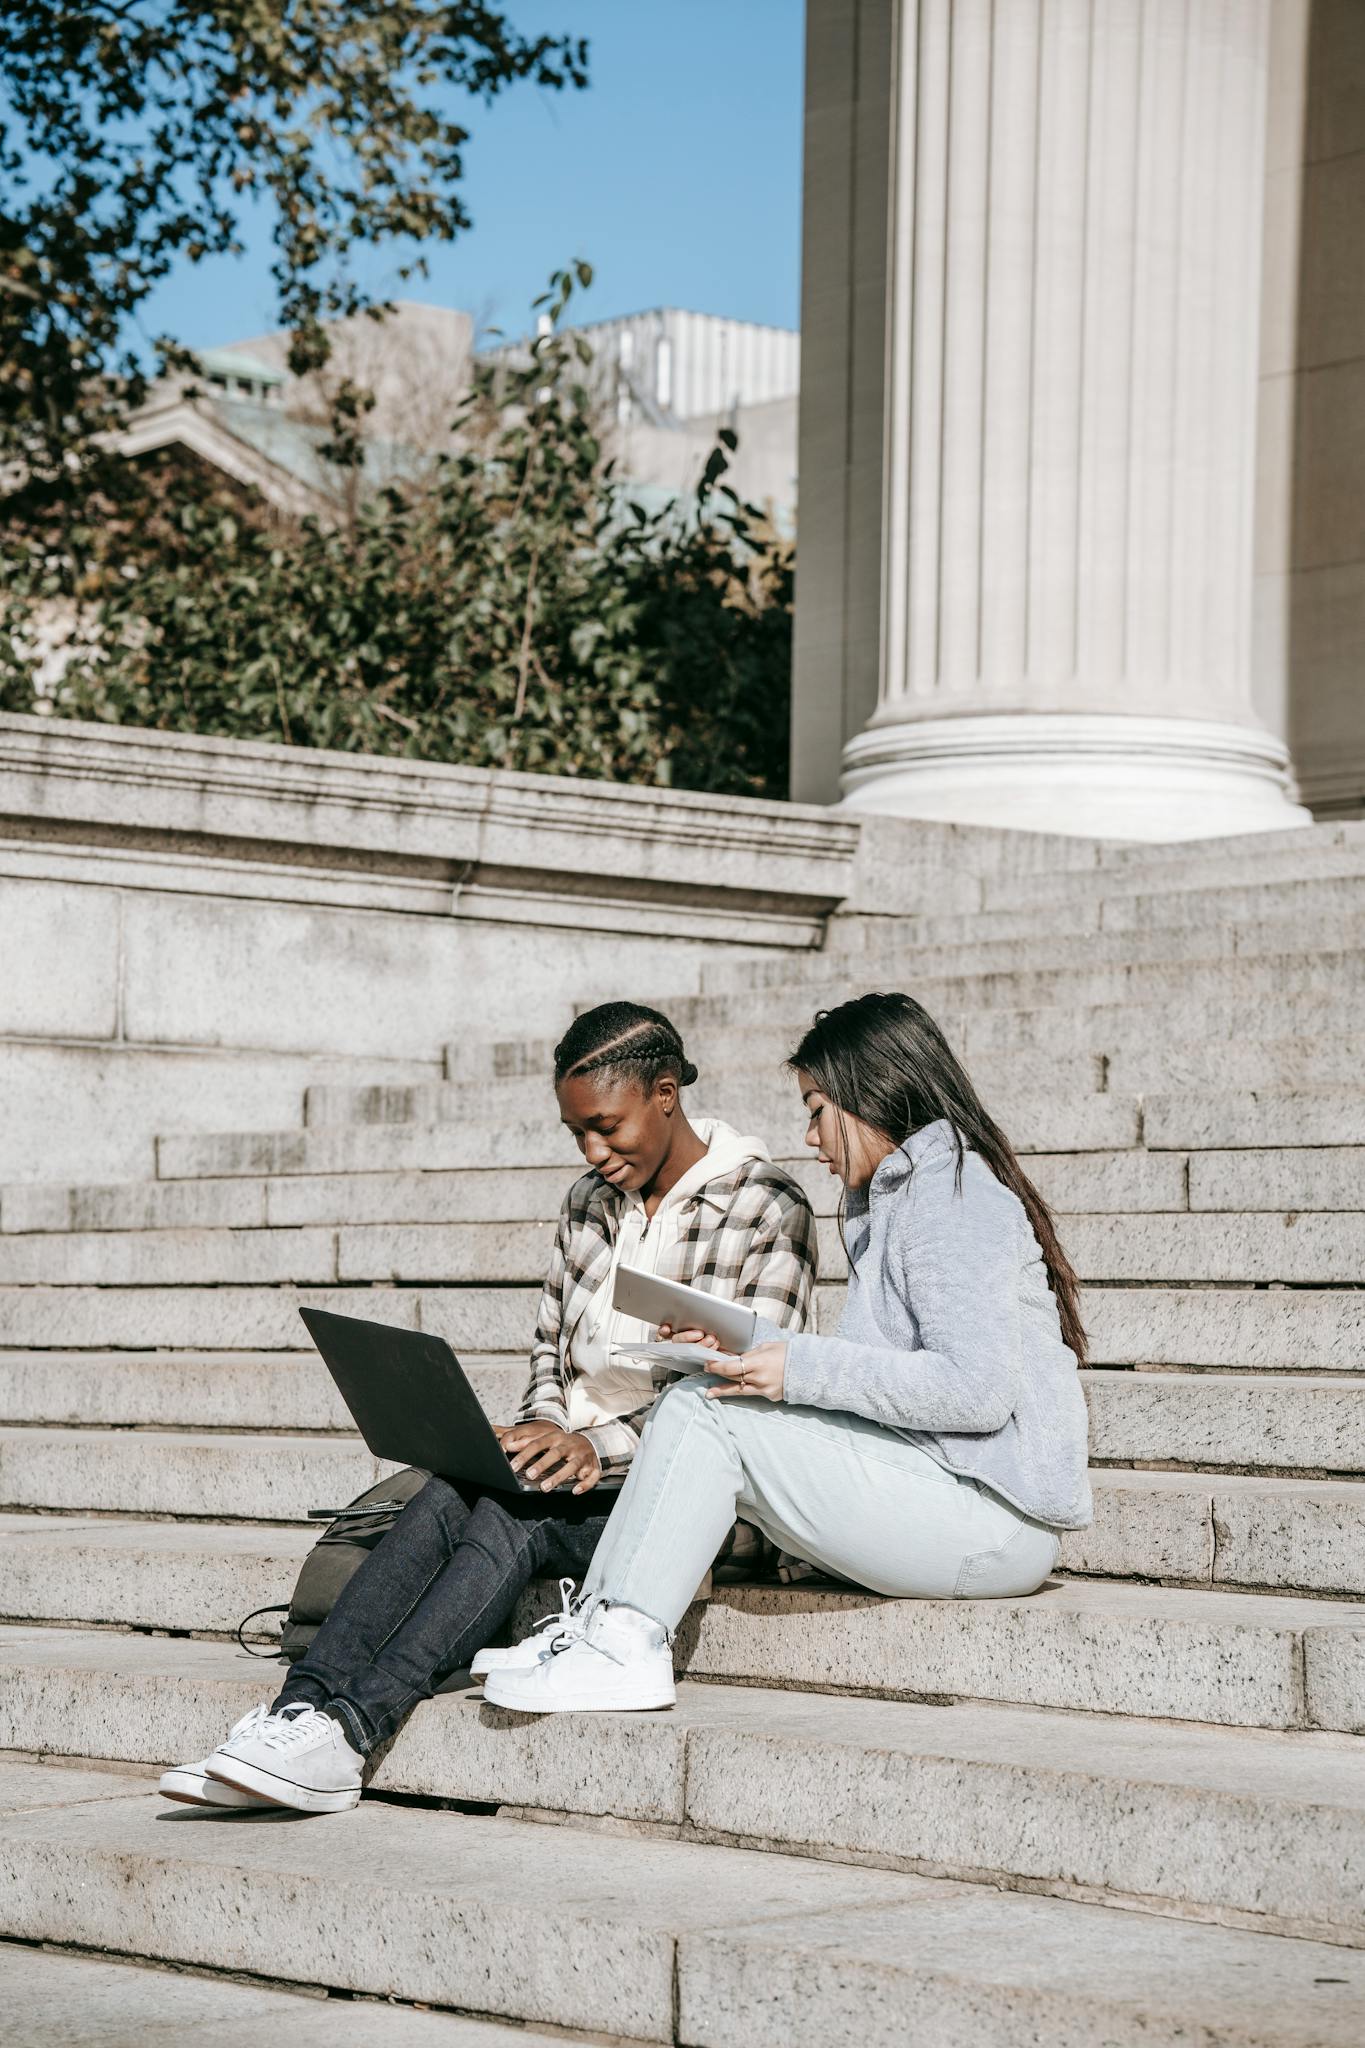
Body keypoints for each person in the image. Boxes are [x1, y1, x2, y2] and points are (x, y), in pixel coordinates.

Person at [158, 1000, 817, 1812]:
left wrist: (596, 1447)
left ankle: (351, 1732)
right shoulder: (587, 1203)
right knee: (450, 1486)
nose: (592, 1151)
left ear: (665, 1092)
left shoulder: (765, 1208)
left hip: (695, 1495)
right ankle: (296, 1711)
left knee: (512, 1516)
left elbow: (742, 1390)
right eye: (575, 1132)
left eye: (607, 1127)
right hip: (580, 1469)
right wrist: (543, 1427)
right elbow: (549, 1350)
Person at [483, 991, 1093, 1716]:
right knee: (703, 1395)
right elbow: (895, 1380)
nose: (808, 1137)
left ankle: (624, 1640)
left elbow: (972, 1390)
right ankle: (600, 1627)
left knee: (707, 1415)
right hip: (943, 1494)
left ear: (872, 1094)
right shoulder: (906, 1195)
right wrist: (747, 1346)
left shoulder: (952, 1198)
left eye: (815, 1109)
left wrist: (792, 1367)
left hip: (991, 1524)